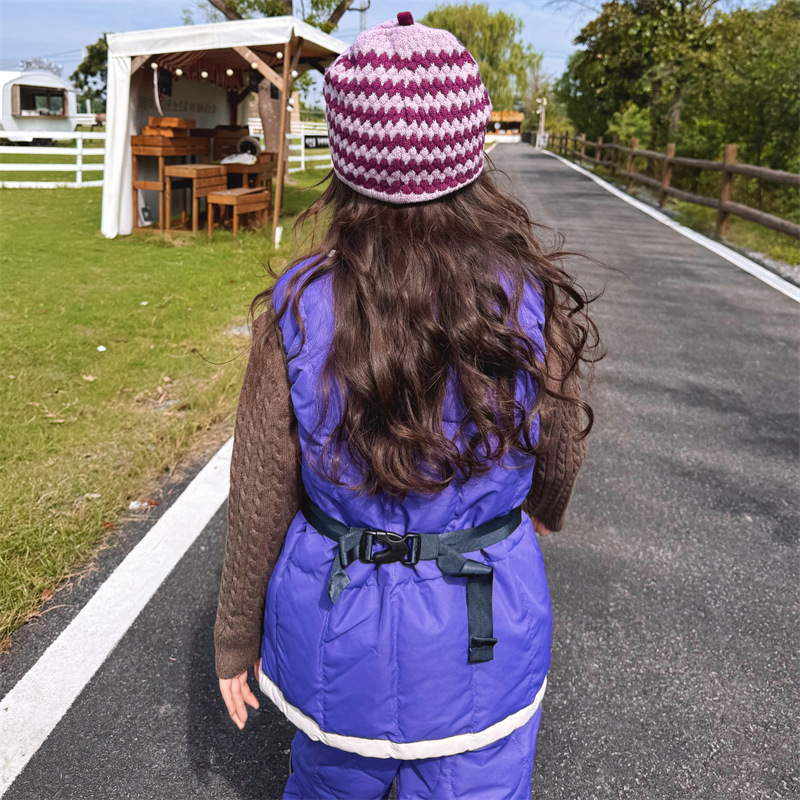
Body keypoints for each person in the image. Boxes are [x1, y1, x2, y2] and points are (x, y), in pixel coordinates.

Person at [214, 12, 601, 799]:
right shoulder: (525, 293)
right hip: (481, 629)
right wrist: (542, 510)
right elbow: (561, 442)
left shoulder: (300, 305)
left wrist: (234, 635)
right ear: (471, 151)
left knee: (329, 780)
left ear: (346, 159)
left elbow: (260, 491)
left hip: (339, 631)